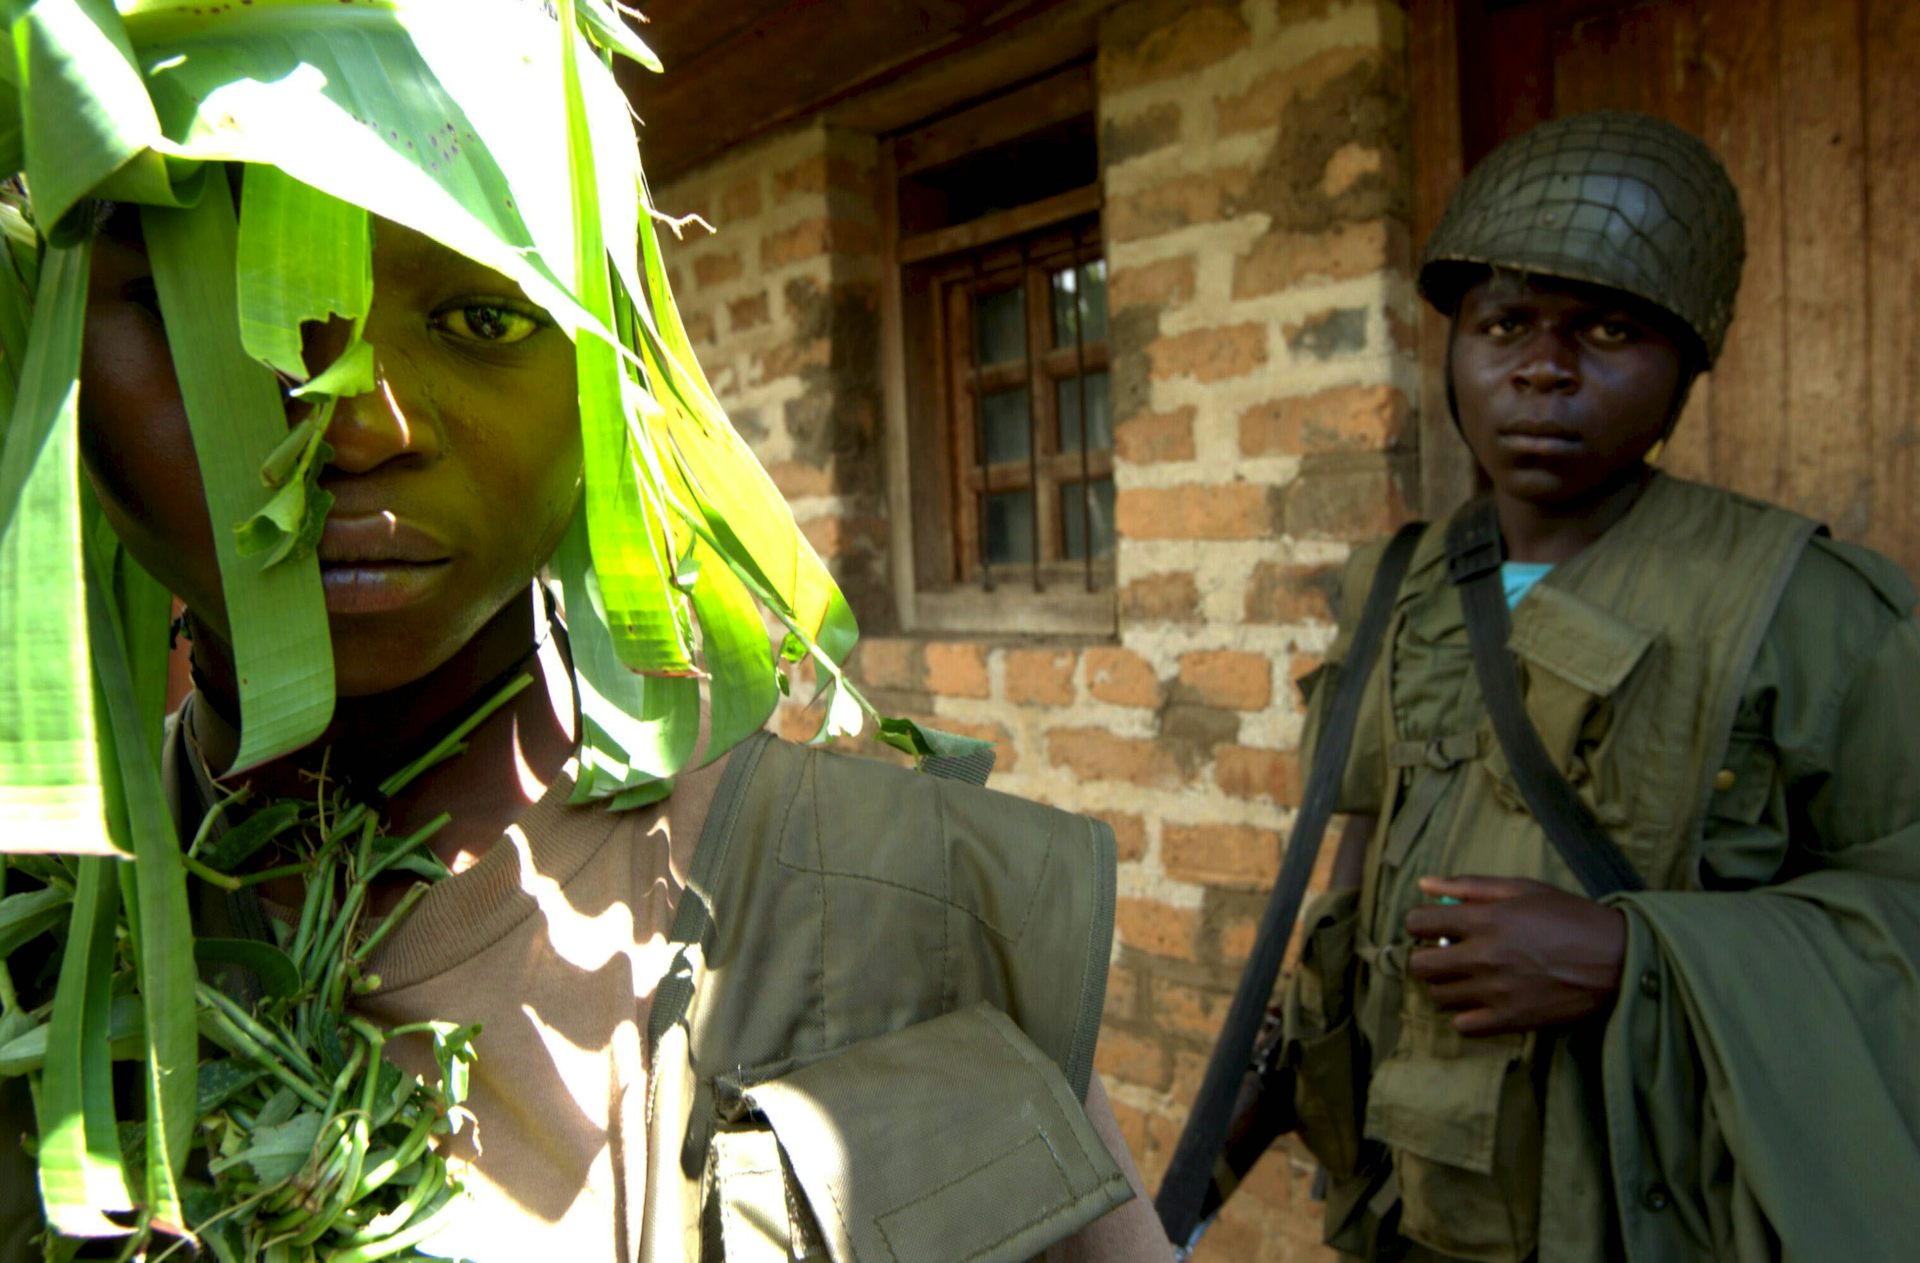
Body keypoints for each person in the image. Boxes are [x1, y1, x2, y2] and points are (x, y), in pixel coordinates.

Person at [0, 7, 1170, 1261]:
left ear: (610, 367)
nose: (361, 427)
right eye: (221, 307)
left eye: (483, 316)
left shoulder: (902, 938)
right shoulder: (28, 957)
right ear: (44, 338)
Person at [1282, 111, 1920, 1261]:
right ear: (1455, 346)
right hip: (1413, 1204)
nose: (1543, 368)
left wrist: (1639, 960)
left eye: (1609, 329)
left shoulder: (1817, 613)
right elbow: (1363, 847)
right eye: (1505, 323)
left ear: (1685, 365)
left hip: (1666, 1214)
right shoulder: (1397, 583)